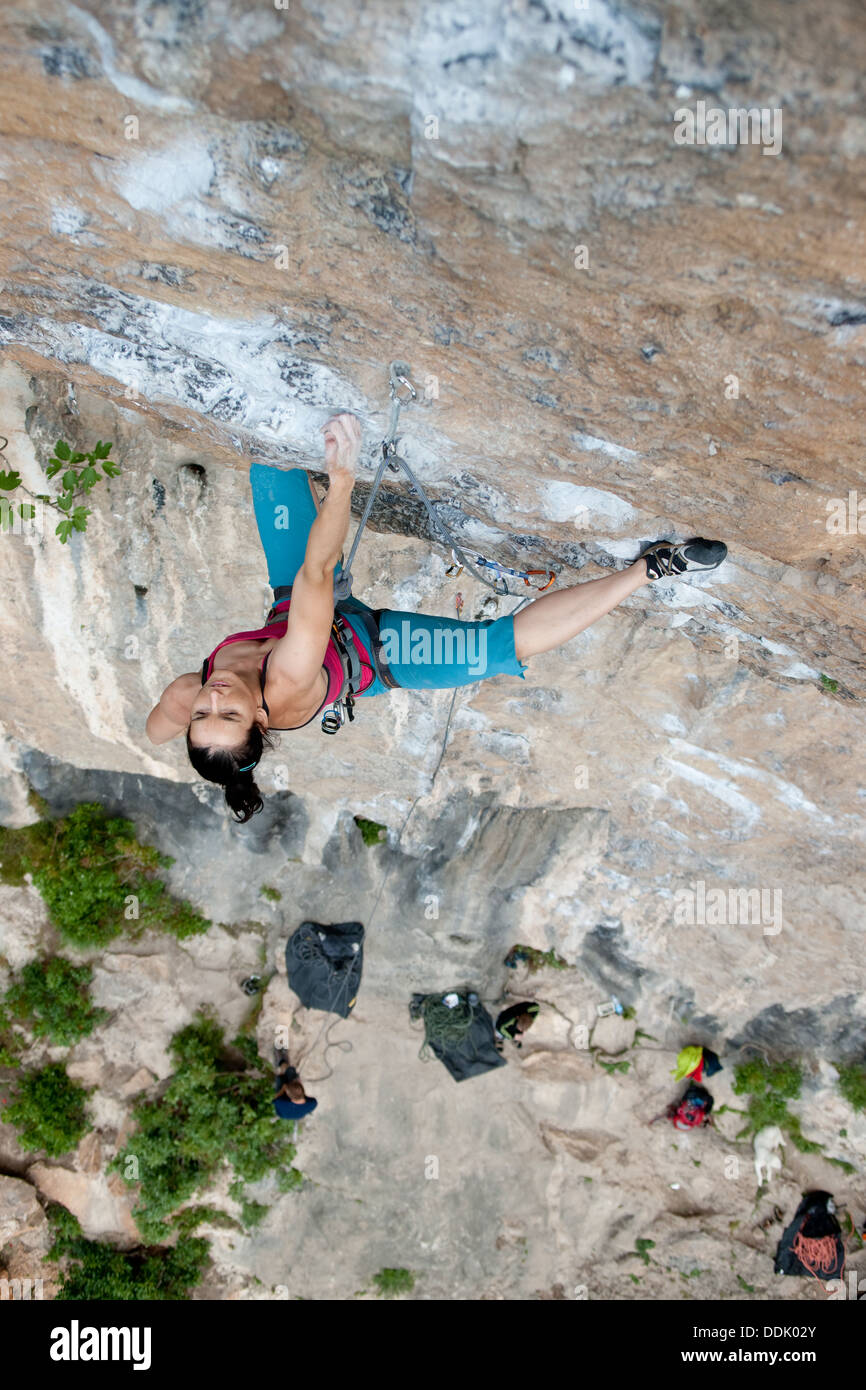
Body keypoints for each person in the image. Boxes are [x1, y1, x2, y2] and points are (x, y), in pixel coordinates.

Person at [146, 412, 728, 820]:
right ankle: (652, 570)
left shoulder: (188, 693)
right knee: (500, 649)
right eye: (229, 712)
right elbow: (316, 577)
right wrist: (343, 479)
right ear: (262, 718)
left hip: (291, 610)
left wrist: (184, 736)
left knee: (269, 465)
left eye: (204, 711)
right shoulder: (289, 679)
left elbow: (155, 729)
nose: (215, 695)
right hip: (374, 652)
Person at [273, 1049, 317, 1121]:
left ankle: (281, 1063)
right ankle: (285, 1064)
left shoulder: (281, 1102)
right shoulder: (312, 1103)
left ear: (289, 1097)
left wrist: (283, 1089)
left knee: (280, 1078)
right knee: (291, 1072)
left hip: (283, 1114)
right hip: (298, 1114)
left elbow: (276, 1098)